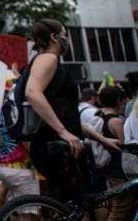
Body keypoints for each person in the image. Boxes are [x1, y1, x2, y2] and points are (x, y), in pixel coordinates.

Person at [25, 18, 120, 202]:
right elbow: (32, 92)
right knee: (79, 205)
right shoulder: (48, 58)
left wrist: (102, 140)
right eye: (64, 35)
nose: (66, 39)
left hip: (62, 146)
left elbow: (70, 118)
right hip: (57, 147)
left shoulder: (50, 63)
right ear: (53, 37)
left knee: (77, 207)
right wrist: (62, 132)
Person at [0, 76, 40, 221]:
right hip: (21, 169)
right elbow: (26, 142)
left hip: (5, 167)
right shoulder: (15, 112)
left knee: (19, 209)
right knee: (28, 213)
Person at [96, 85, 135, 220]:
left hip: (107, 168)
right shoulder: (116, 121)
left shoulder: (99, 115)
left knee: (113, 206)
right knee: (122, 208)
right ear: (118, 100)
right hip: (119, 170)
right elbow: (125, 147)